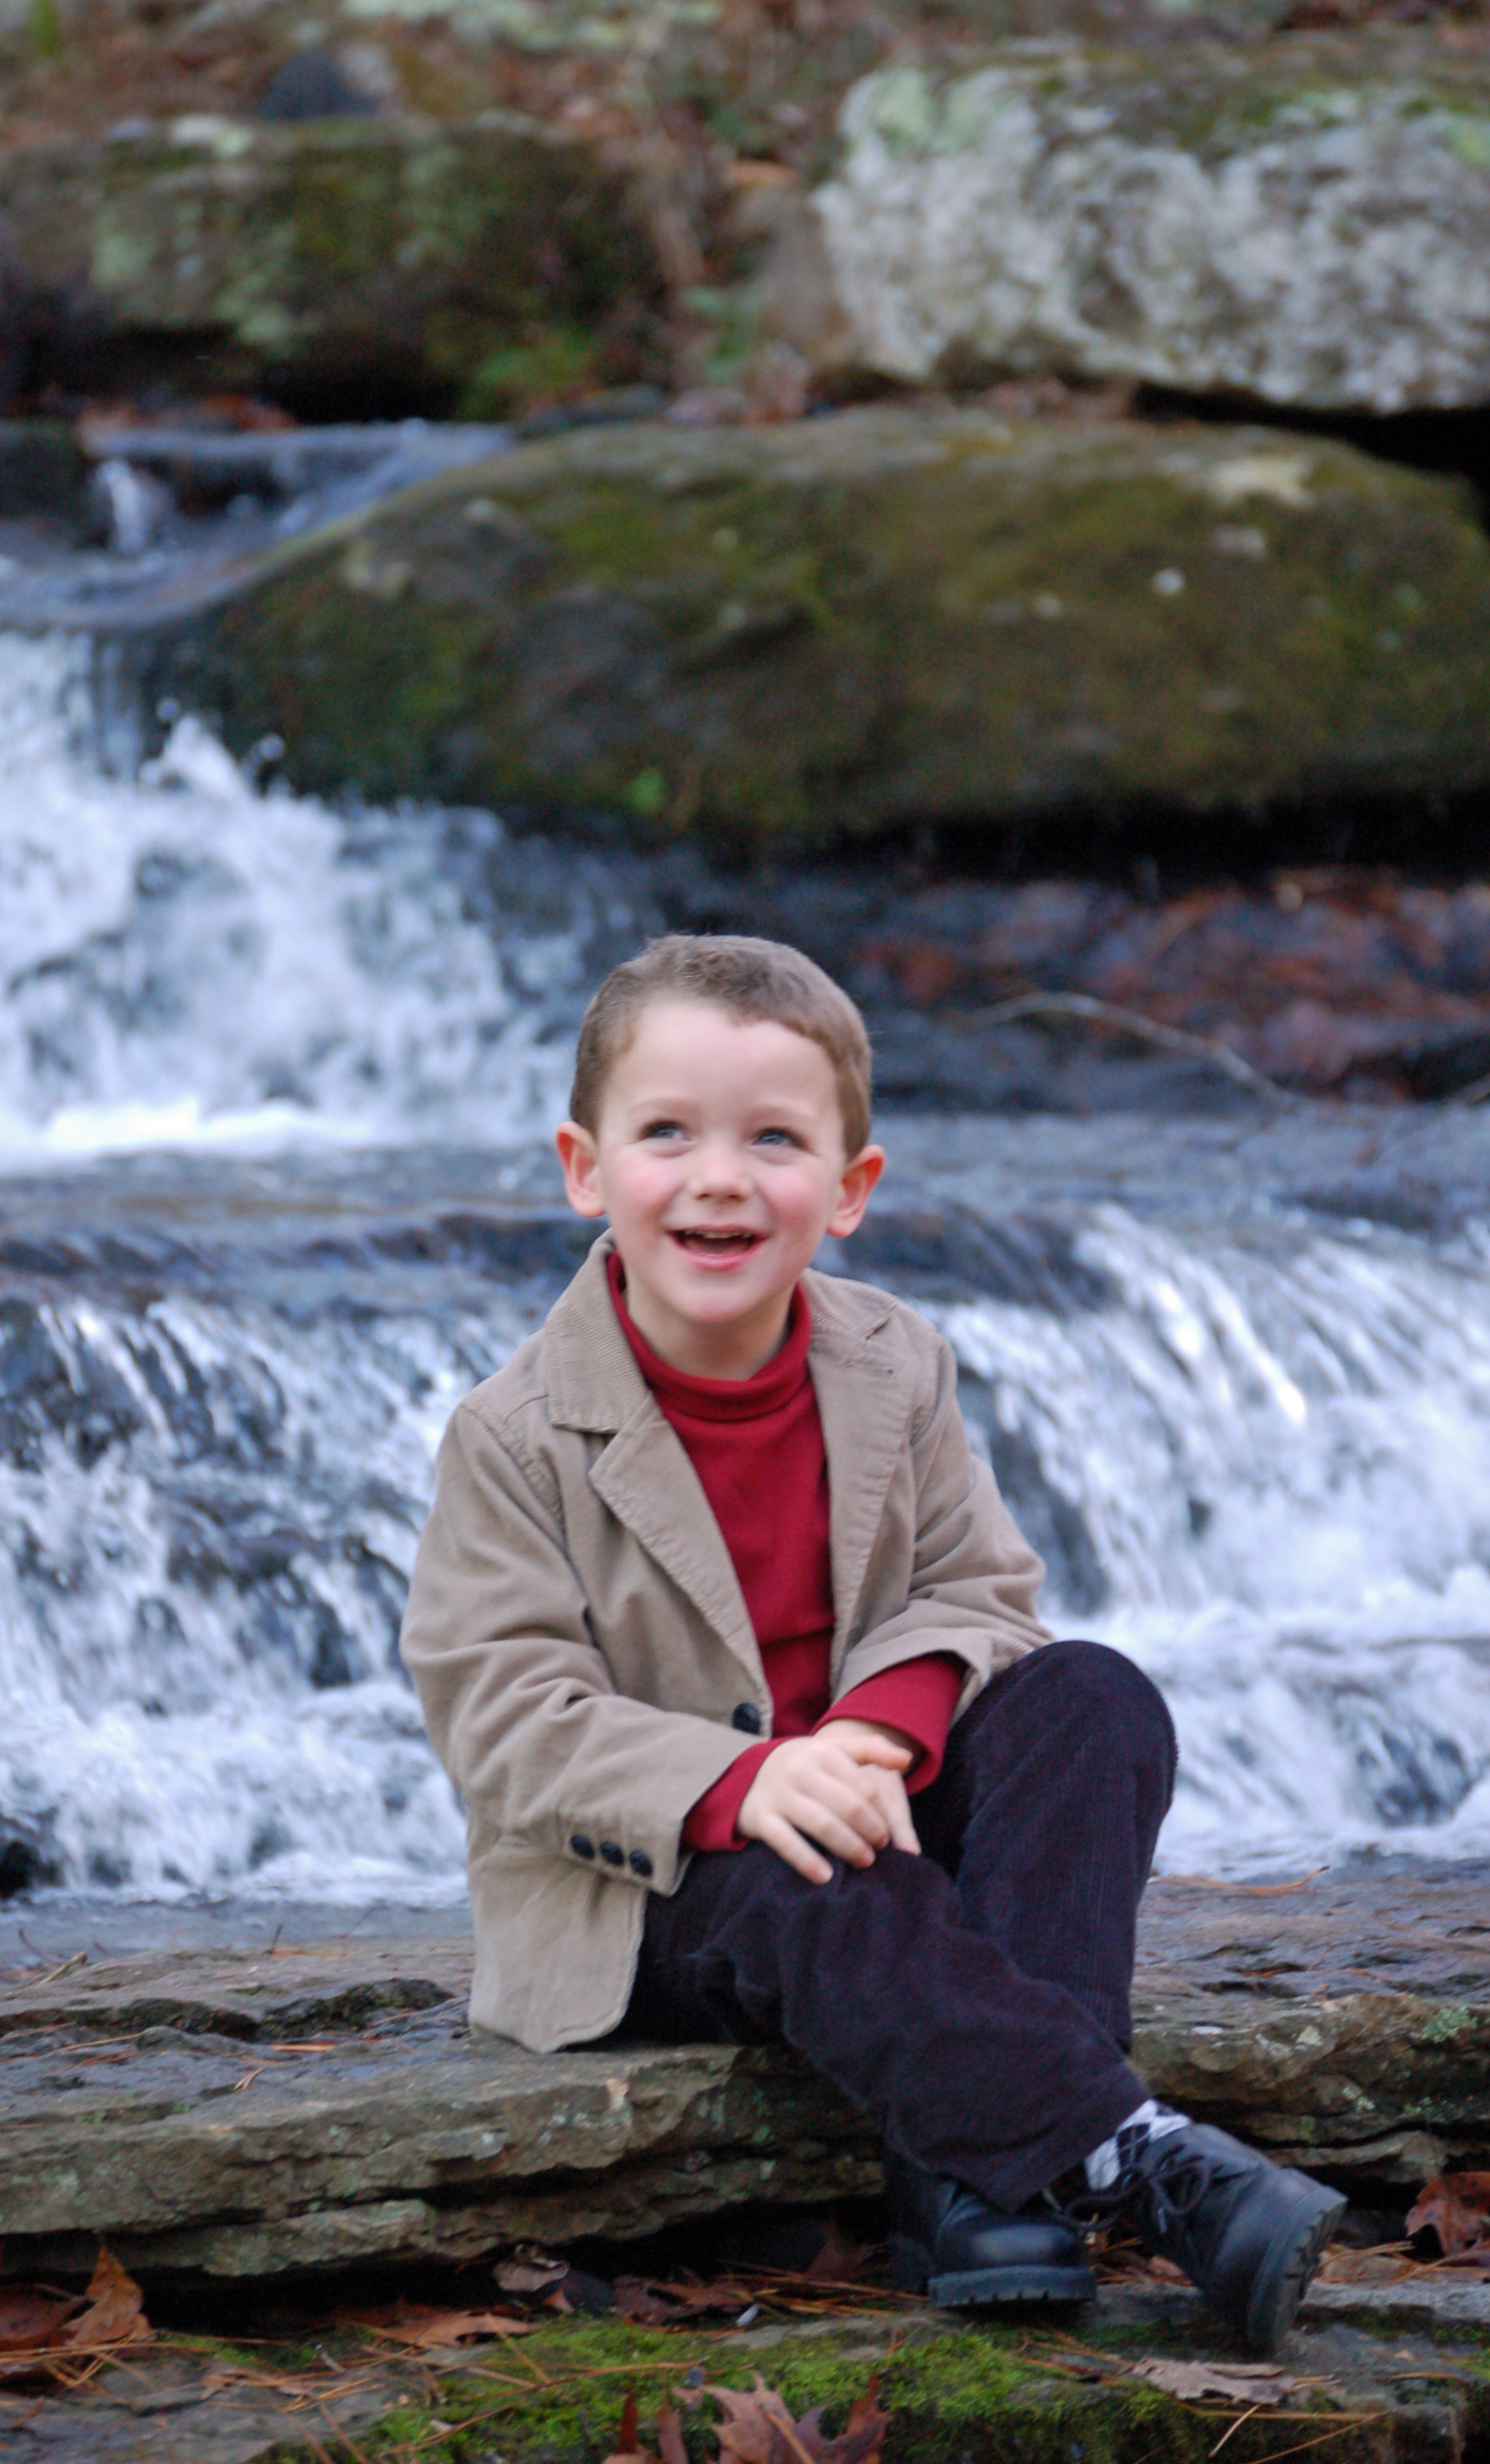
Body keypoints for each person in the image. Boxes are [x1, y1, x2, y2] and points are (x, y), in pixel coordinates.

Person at [401, 934, 1343, 2352]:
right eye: (668, 1134)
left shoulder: (893, 1361)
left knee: (1094, 1699)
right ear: (585, 1169)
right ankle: (1128, 2158)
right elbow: (505, 1715)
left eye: (774, 1140)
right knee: (813, 1877)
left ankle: (973, 2196)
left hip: (871, 1818)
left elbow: (979, 1589)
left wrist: (871, 1732)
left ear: (850, 1189)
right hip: (655, 1892)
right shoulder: (513, 1434)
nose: (720, 1178)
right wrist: (743, 1782)